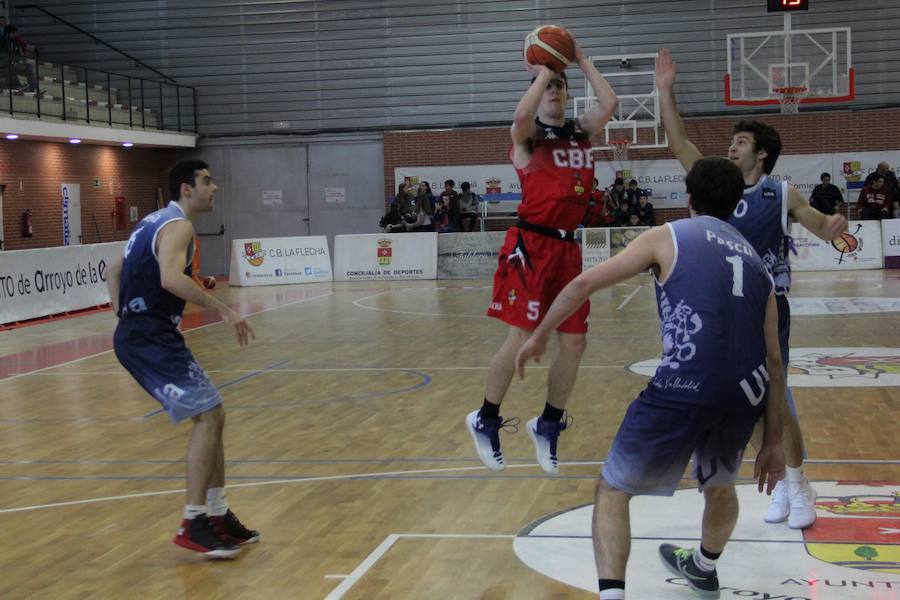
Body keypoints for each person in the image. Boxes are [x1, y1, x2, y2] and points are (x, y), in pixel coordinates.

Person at [516, 157, 787, 600]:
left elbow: (583, 284)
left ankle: (613, 595)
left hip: (685, 384)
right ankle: (703, 567)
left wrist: (539, 336)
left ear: (688, 197)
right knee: (719, 484)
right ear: (738, 203)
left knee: (612, 489)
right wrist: (773, 440)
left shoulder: (668, 235)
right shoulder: (756, 262)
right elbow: (775, 361)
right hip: (743, 393)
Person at [656, 48, 848, 530]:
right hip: (718, 311)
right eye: (732, 141)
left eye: (740, 141)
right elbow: (679, 143)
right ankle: (775, 480)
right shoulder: (714, 183)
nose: (733, 147)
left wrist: (832, 226)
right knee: (741, 402)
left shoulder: (780, 193)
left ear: (761, 152)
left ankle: (799, 483)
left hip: (766, 309)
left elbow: (820, 226)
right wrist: (665, 92)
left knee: (776, 401)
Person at [465, 35, 619, 474]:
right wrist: (545, 71)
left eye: (560, 87)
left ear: (569, 95)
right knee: (520, 337)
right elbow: (519, 115)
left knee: (575, 341)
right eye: (549, 86)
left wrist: (582, 59)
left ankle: (548, 424)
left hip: (568, 247)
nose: (554, 91)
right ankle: (486, 417)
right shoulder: (528, 137)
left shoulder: (578, 132)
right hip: (529, 247)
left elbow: (610, 101)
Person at [106, 159, 258, 559]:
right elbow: (170, 279)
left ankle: (219, 515)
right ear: (186, 189)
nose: (215, 188)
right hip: (149, 338)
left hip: (144, 334)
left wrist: (122, 312)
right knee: (209, 416)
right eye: (207, 181)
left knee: (214, 414)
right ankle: (193, 522)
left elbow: (113, 269)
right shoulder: (180, 226)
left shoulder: (152, 222)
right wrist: (224, 310)